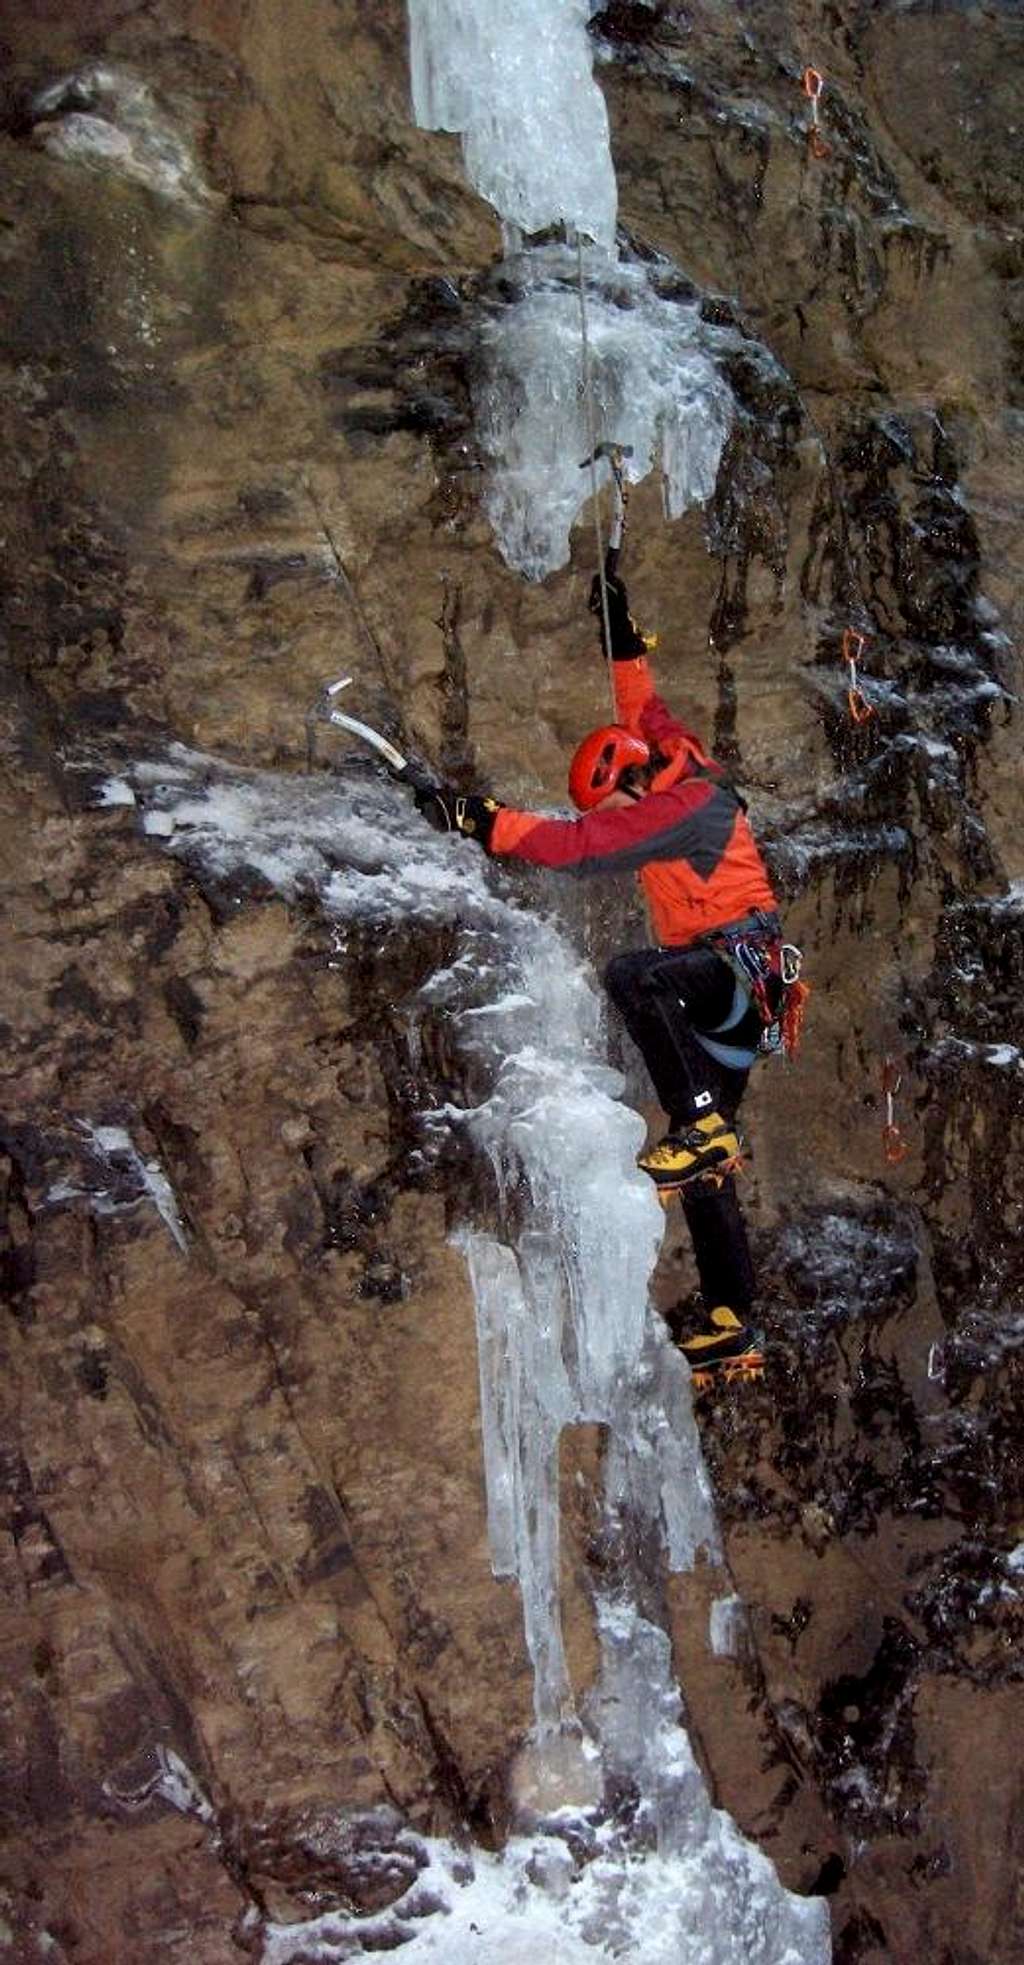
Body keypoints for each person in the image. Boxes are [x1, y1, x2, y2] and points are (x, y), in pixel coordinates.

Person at [414, 553, 807, 1385]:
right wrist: (619, 632)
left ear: (628, 777)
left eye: (617, 797)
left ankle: (702, 1118)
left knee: (635, 975)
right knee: (706, 1171)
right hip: (731, 1002)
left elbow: (581, 847)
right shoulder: (670, 758)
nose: (621, 815)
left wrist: (484, 823)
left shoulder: (685, 805)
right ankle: (734, 1318)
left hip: (733, 974)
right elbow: (645, 704)